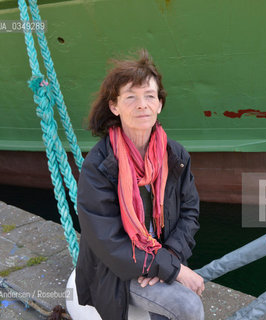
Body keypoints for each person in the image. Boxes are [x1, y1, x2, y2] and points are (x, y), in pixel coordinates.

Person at [75, 49, 205, 320]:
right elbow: (107, 243)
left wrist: (169, 260)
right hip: (118, 273)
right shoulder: (98, 166)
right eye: (131, 97)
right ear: (114, 106)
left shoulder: (176, 156)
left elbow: (190, 213)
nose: (142, 105)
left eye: (149, 96)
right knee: (188, 306)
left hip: (161, 258)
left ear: (159, 104)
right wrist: (174, 269)